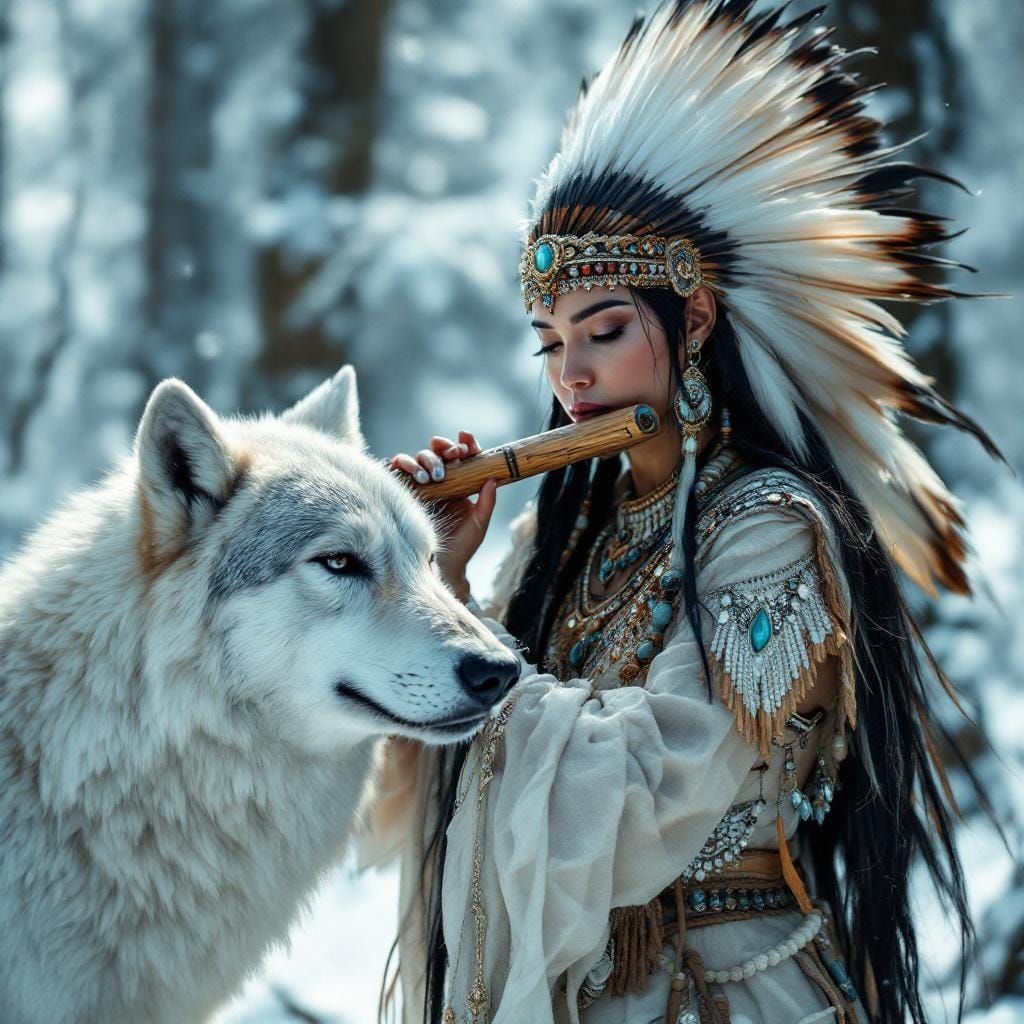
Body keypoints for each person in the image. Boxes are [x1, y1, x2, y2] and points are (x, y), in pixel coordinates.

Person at [363, 2, 1004, 1022]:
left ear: (692, 316)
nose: (570, 376)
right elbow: (424, 781)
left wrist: (483, 682)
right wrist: (434, 583)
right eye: (548, 341)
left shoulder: (770, 527)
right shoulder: (554, 538)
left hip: (729, 987)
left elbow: (662, 782)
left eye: (603, 330)